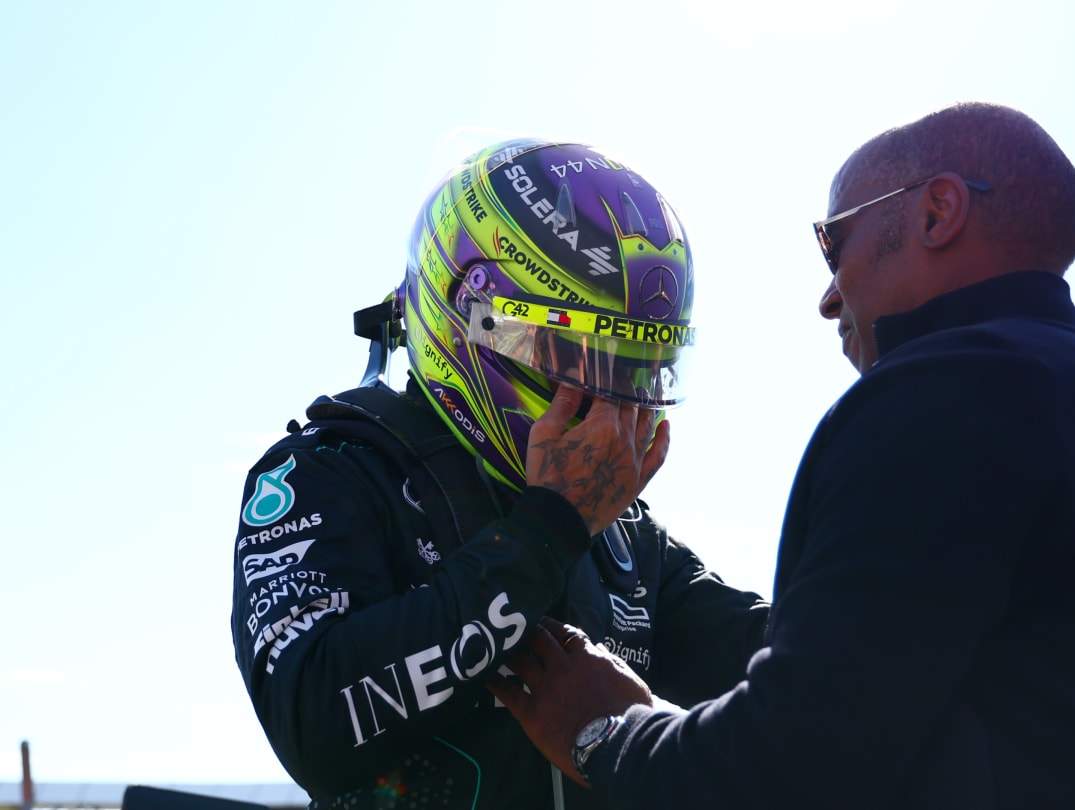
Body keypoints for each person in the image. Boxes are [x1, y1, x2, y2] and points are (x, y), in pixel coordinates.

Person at [489, 102, 1075, 808]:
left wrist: (605, 733)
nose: (828, 297)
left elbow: (793, 773)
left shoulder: (947, 390)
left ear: (936, 212)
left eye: (832, 242)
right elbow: (887, 678)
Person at [230, 137, 769, 810]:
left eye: (636, 369)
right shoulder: (328, 474)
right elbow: (312, 723)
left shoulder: (624, 534)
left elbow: (788, 668)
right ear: (470, 318)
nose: (616, 405)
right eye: (583, 359)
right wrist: (547, 532)